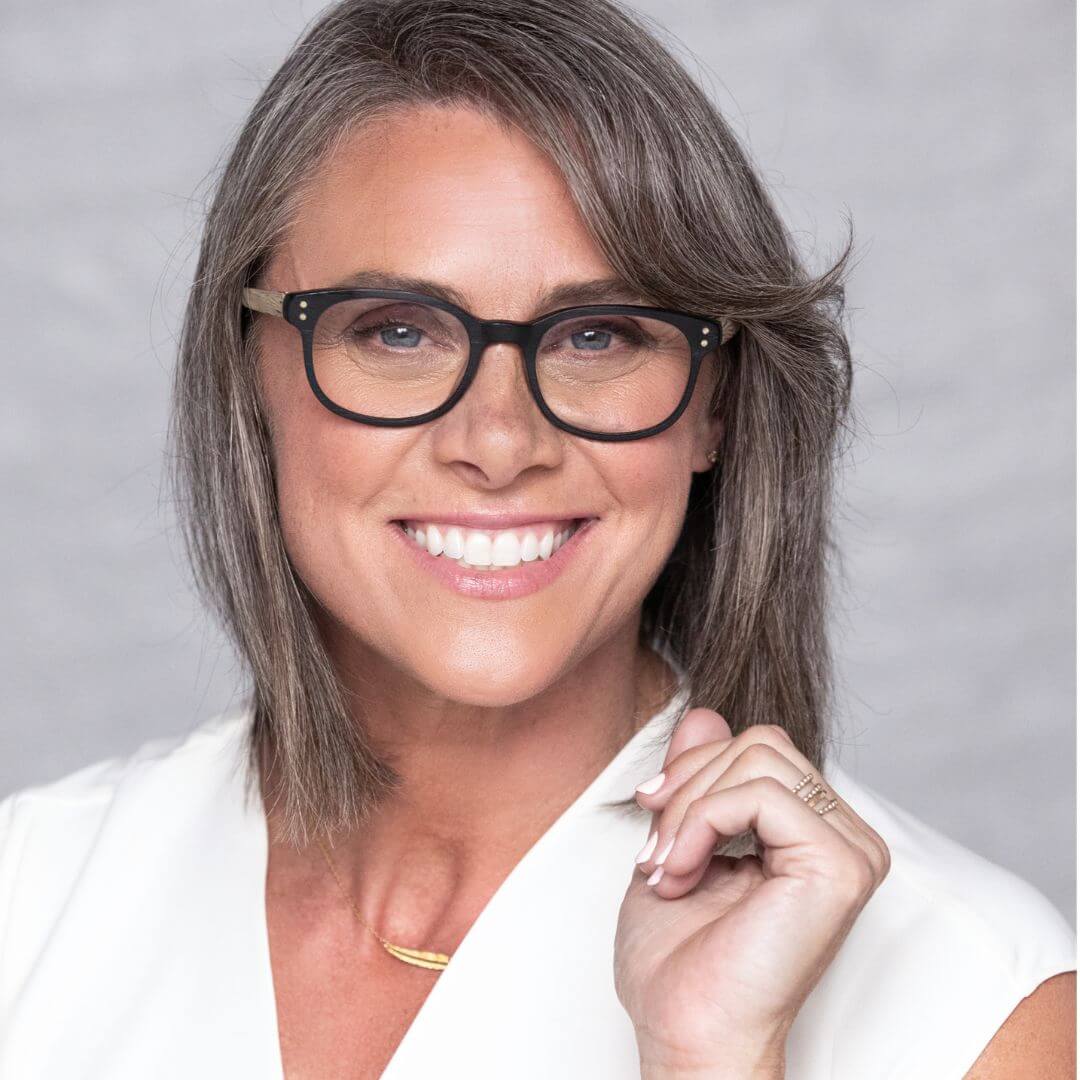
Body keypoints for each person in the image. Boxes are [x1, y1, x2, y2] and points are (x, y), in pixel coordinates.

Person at [0, 0, 1074, 1077]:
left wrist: (713, 1060)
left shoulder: (976, 1006)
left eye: (599, 335)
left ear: (717, 409)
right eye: (399, 332)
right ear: (249, 377)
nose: (501, 441)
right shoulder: (27, 895)